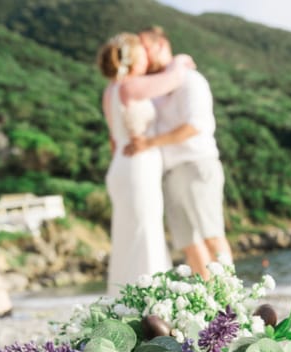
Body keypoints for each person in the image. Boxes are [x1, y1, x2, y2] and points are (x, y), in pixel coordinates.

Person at [124, 27, 233, 280]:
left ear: (161, 45)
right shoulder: (158, 86)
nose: (145, 59)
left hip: (196, 164)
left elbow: (194, 126)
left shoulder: (191, 80)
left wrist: (149, 142)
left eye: (146, 51)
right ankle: (210, 304)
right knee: (189, 245)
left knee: (212, 236)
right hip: (169, 173)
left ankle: (233, 300)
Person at [97, 33, 194, 294]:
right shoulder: (130, 86)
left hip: (121, 165)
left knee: (129, 237)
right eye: (143, 52)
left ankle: (126, 302)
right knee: (146, 234)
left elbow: (113, 139)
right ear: (134, 58)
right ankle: (151, 304)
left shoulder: (110, 91)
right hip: (137, 166)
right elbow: (174, 78)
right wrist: (181, 59)